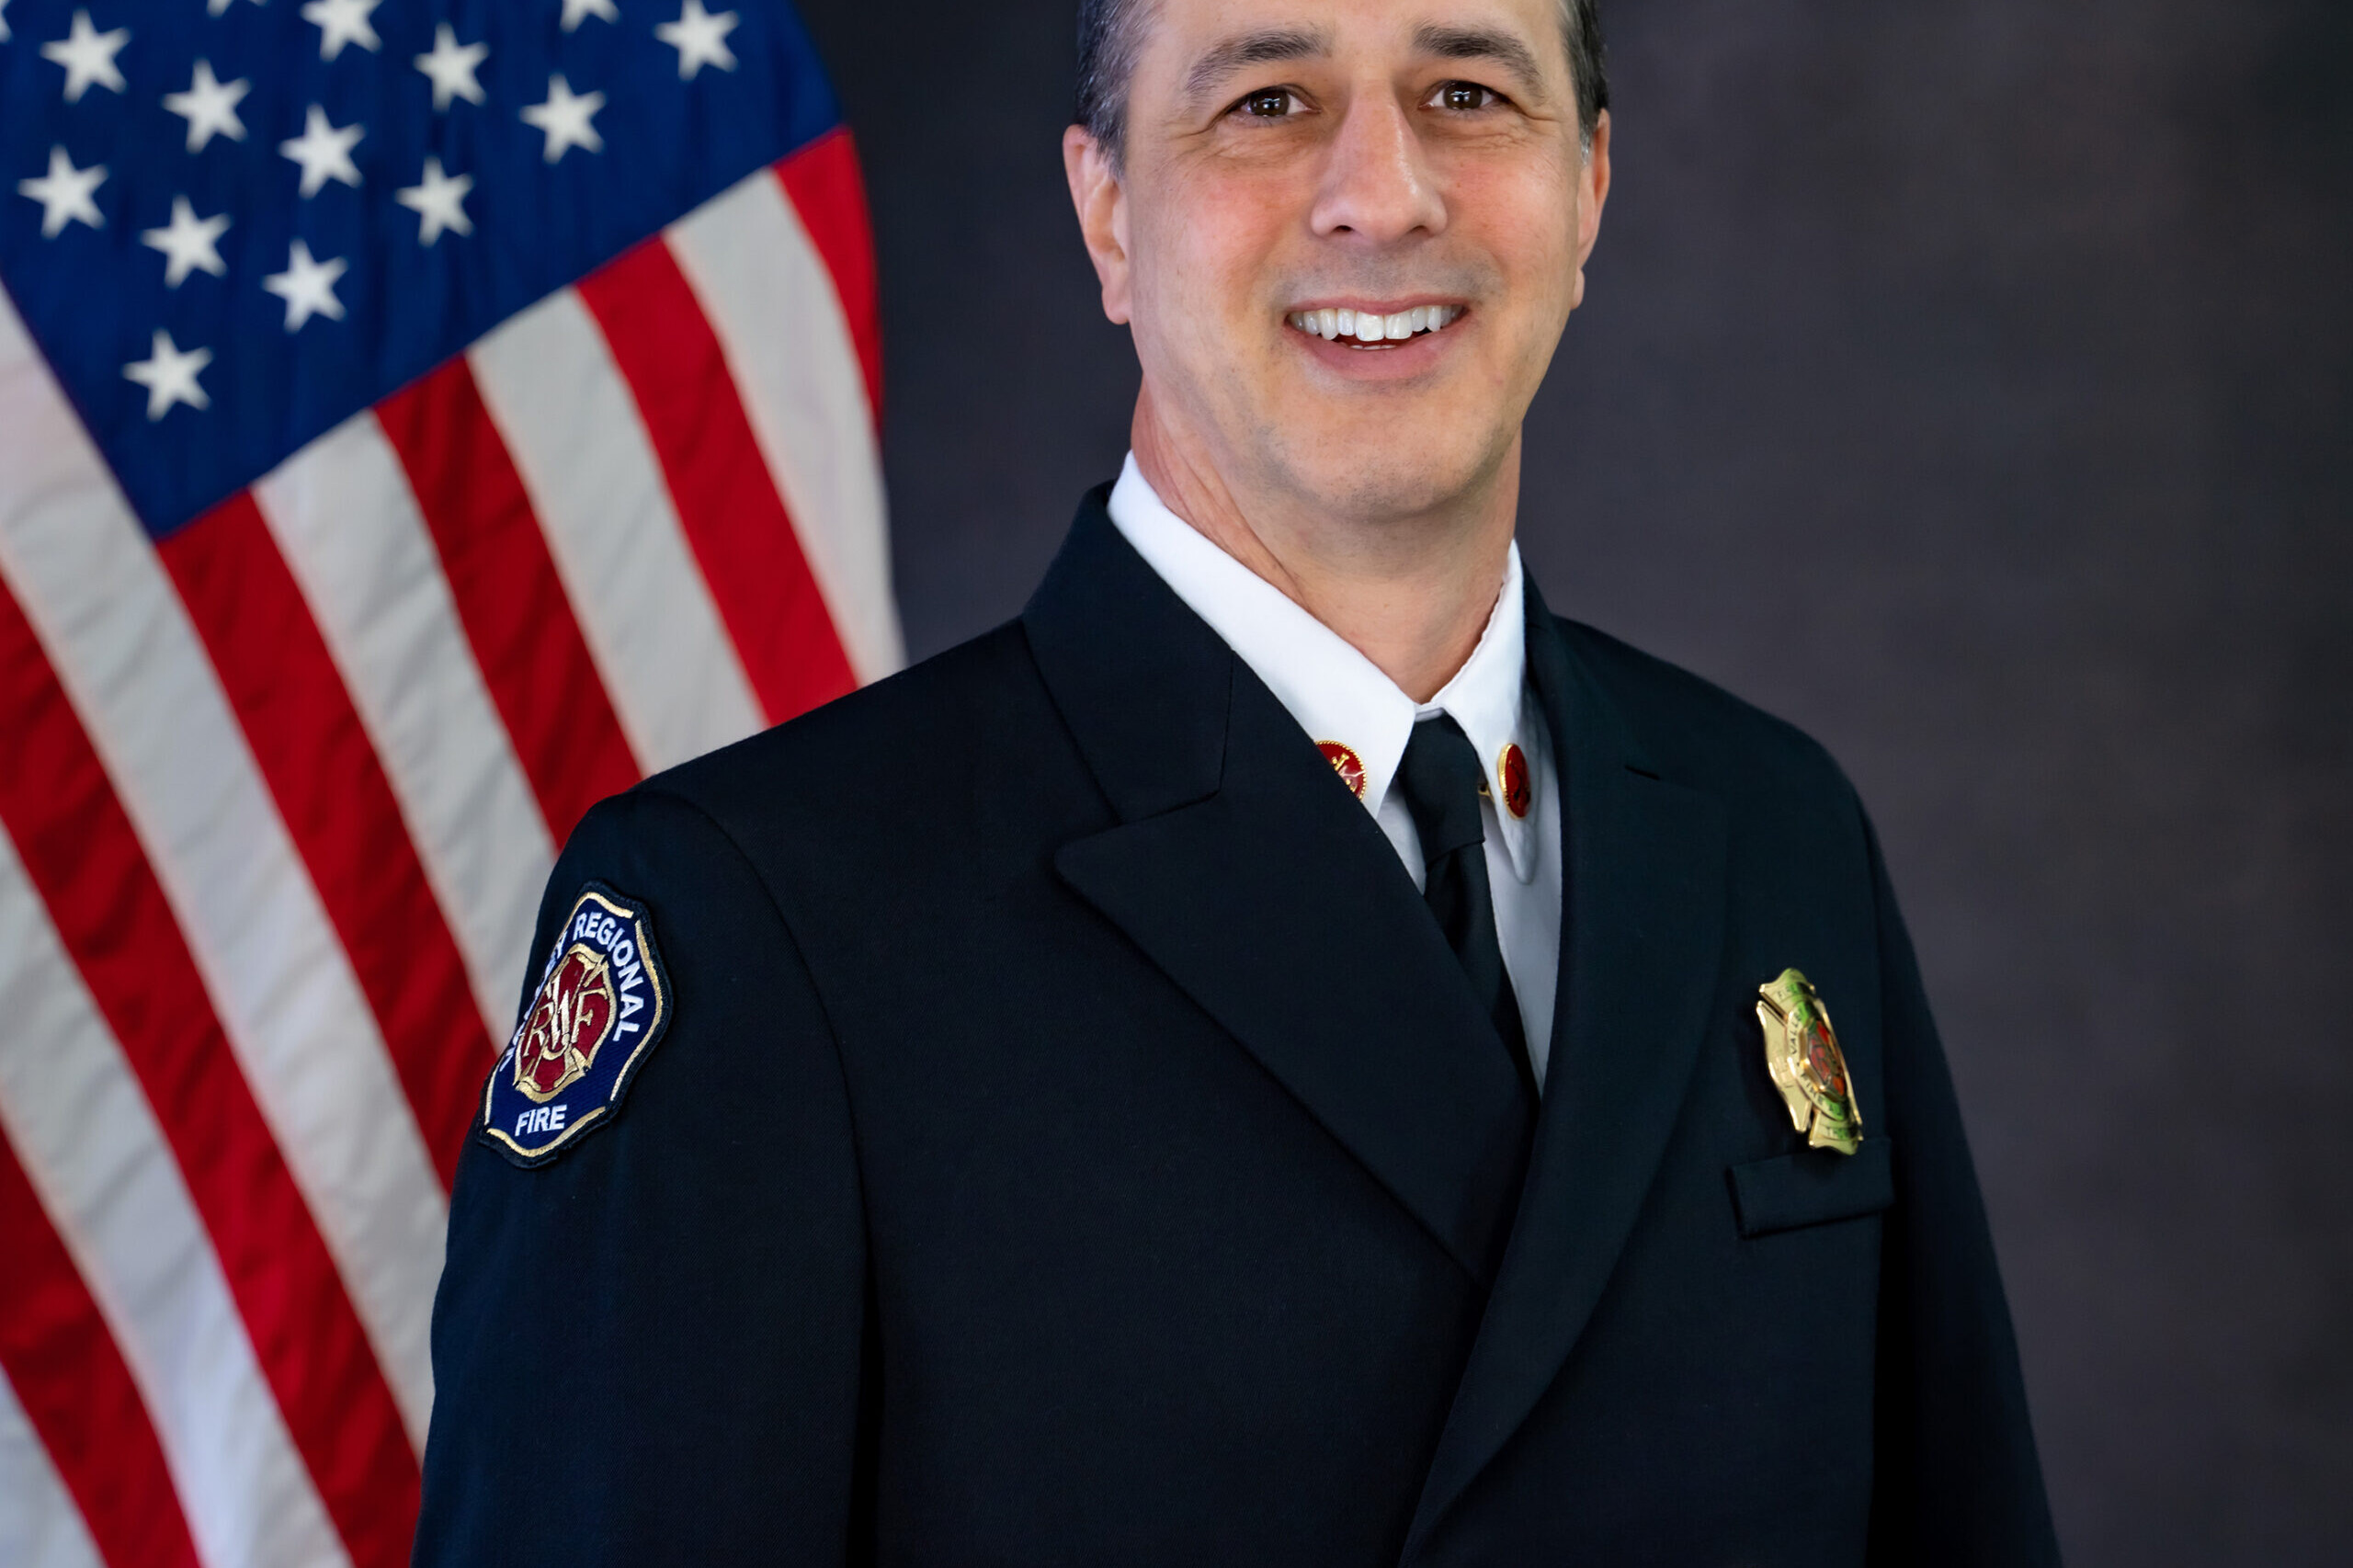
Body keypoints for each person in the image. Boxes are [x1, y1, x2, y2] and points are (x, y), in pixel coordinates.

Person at [414, 0, 2061, 1562]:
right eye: (1268, 102)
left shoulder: (1777, 833)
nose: (1383, 194)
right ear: (1109, 214)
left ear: (1590, 191)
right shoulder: (759, 916)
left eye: (1468, 93)